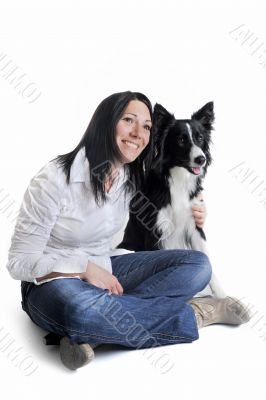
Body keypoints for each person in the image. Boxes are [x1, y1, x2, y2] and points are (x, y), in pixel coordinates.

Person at [6, 91, 250, 370]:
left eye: (146, 126)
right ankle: (197, 314)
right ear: (105, 124)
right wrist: (82, 268)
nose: (138, 133)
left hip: (107, 268)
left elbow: (172, 188)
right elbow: (18, 262)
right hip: (50, 281)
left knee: (198, 265)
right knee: (80, 311)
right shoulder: (54, 178)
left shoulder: (129, 177)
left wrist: (196, 205)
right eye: (128, 120)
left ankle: (97, 331)